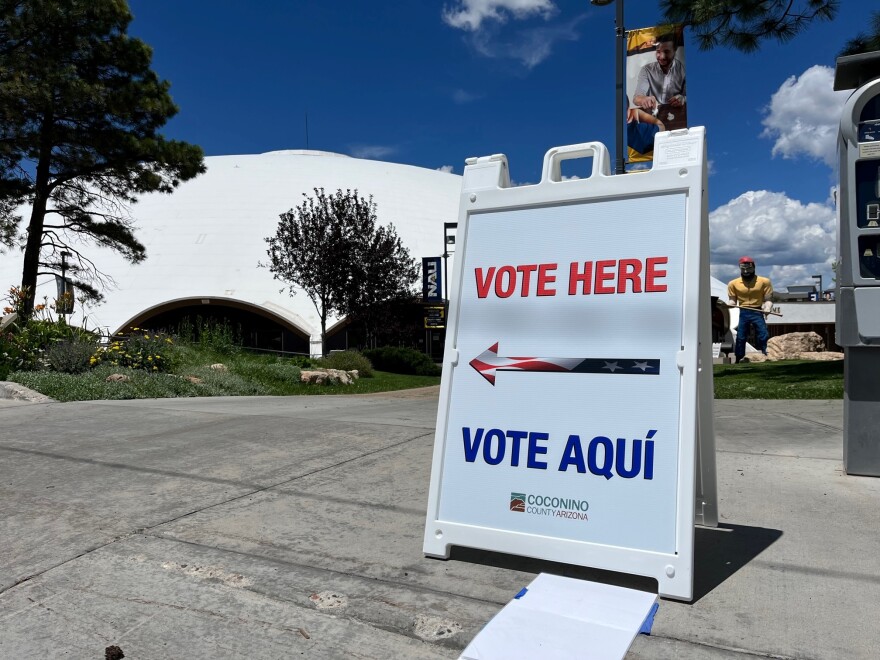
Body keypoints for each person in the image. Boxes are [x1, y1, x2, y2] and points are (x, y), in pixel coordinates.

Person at [633, 34, 686, 129]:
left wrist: (682, 98)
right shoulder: (647, 70)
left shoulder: (683, 69)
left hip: (676, 120)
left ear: (675, 51)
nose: (661, 57)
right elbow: (637, 98)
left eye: (666, 52)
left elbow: (689, 96)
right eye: (658, 52)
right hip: (652, 121)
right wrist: (644, 99)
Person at [727, 256, 773, 363]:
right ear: (740, 269)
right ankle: (739, 357)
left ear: (754, 268)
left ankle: (766, 354)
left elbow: (768, 300)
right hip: (744, 311)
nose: (746, 271)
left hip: (758, 311)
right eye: (743, 269)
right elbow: (732, 300)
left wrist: (767, 307)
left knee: (763, 333)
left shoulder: (764, 281)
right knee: (741, 336)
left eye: (749, 269)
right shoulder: (733, 283)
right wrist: (730, 304)